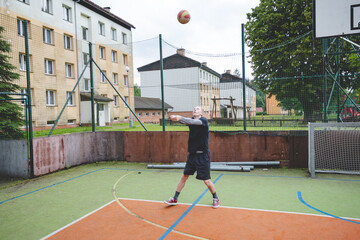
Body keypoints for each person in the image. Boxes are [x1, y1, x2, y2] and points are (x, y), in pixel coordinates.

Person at [164, 106, 219, 208]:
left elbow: (190, 121)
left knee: (206, 181)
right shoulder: (191, 121)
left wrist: (179, 117)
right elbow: (186, 121)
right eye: (194, 109)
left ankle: (215, 198)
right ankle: (175, 199)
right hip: (192, 155)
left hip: (203, 155)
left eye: (197, 109)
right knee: (184, 176)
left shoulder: (203, 121)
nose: (195, 110)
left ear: (201, 113)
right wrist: (175, 118)